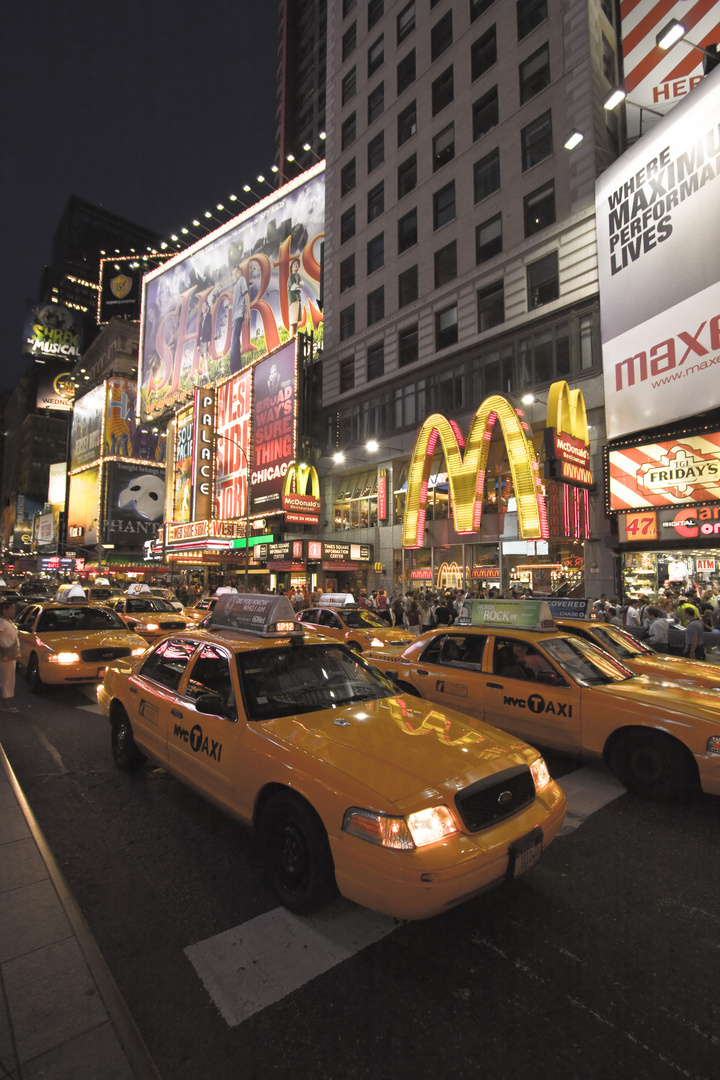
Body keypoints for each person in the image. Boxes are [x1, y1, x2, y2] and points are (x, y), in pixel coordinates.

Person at [229, 263, 250, 374]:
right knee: (235, 340)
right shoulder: (235, 287)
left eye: (236, 273)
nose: (234, 276)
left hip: (239, 314)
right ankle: (237, 367)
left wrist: (248, 311)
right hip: (234, 317)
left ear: (239, 273)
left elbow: (246, 296)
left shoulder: (241, 280)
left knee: (234, 340)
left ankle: (234, 369)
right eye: (233, 274)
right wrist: (229, 306)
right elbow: (237, 301)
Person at [0, 599, 21, 712]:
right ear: (4, 610)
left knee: (6, 678)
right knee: (8, 679)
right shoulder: (2, 623)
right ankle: (7, 704)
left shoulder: (7, 622)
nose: (14, 611)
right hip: (5, 654)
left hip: (10, 654)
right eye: (11, 609)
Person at [287, 258, 302, 336]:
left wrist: (298, 284)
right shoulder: (291, 277)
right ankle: (292, 338)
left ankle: (295, 337)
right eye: (295, 264)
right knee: (293, 321)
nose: (296, 266)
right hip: (293, 300)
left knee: (296, 321)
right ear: (292, 266)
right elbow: (293, 287)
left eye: (298, 264)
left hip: (298, 300)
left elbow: (301, 285)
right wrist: (297, 284)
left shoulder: (297, 276)